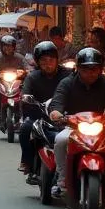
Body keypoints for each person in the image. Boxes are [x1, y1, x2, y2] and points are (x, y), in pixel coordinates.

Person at [48, 47, 105, 201]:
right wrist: (56, 112)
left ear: (100, 69)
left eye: (95, 69)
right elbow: (57, 102)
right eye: (86, 69)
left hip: (99, 128)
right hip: (72, 127)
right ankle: (62, 180)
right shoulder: (67, 83)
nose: (91, 73)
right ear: (78, 69)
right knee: (61, 140)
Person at [18, 41, 69, 180]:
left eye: (51, 60)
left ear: (57, 60)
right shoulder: (32, 77)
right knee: (25, 127)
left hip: (64, 116)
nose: (48, 63)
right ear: (38, 62)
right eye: (44, 60)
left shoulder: (68, 75)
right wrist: (26, 99)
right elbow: (25, 94)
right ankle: (27, 161)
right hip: (39, 114)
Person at [0, 35, 30, 120]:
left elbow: (28, 67)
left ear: (14, 47)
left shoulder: (19, 57)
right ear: (1, 46)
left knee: (26, 93)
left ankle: (24, 114)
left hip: (17, 82)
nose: (8, 48)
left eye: (10, 46)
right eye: (5, 45)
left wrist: (27, 71)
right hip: (0, 81)